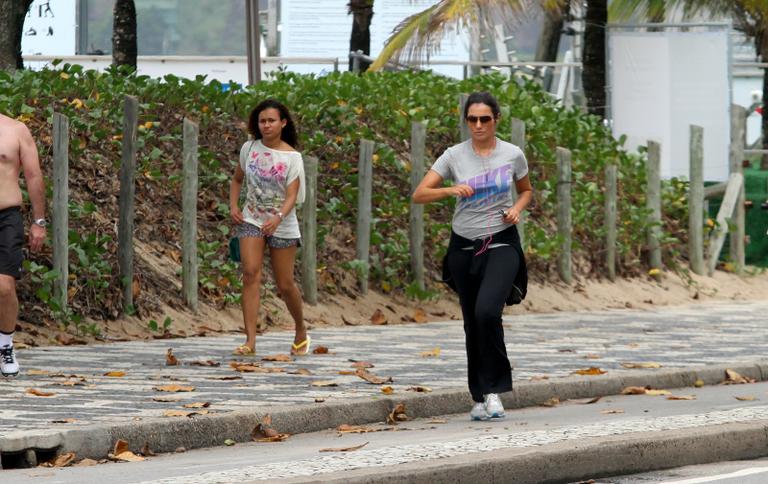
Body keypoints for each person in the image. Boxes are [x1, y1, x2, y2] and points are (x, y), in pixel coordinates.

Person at [412, 92, 532, 420]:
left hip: (501, 242)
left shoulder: (512, 154)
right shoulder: (453, 156)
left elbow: (526, 190)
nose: (478, 125)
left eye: (485, 119)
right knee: (471, 322)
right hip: (463, 247)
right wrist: (449, 190)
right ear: (466, 121)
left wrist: (516, 209)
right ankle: (478, 397)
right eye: (472, 119)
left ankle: (494, 390)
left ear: (496, 120)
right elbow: (419, 194)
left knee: (487, 313)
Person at [229, 99, 309, 356]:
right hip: (252, 219)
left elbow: (292, 195)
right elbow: (237, 179)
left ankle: (300, 329)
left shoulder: (292, 157)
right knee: (251, 273)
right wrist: (233, 205)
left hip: (282, 225)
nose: (266, 125)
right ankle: (250, 341)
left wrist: (278, 217)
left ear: (283, 123)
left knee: (285, 284)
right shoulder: (249, 148)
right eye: (262, 121)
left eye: (272, 120)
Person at [0, 113, 47, 377]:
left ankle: (5, 345)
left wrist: (39, 221)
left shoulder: (16, 130)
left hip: (6, 216)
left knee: (4, 286)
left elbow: (33, 175)